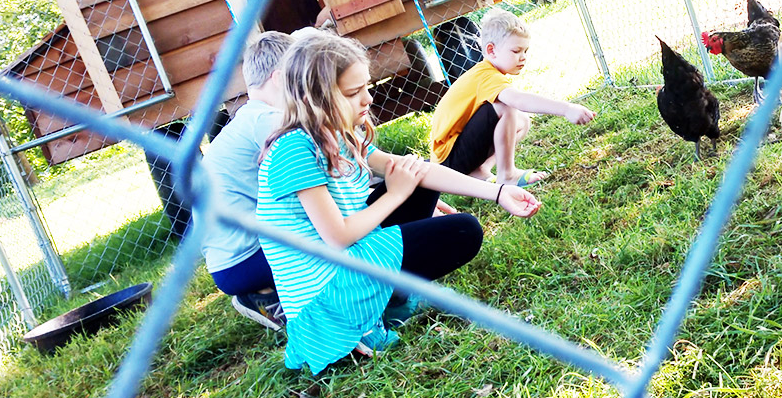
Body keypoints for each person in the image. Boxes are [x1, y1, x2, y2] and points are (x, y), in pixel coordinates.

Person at [257, 32, 542, 373]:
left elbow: (417, 172)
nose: (367, 99)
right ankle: (363, 321)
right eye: (352, 93)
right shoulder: (294, 149)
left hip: (345, 266)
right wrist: (395, 194)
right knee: (463, 230)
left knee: (417, 180)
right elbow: (337, 236)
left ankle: (390, 301)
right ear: (314, 98)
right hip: (326, 299)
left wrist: (497, 193)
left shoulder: (338, 132)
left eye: (366, 86)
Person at [427, 8, 596, 185]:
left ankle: (480, 171)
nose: (523, 57)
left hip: (454, 156)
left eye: (525, 51)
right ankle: (507, 175)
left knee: (522, 121)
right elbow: (518, 100)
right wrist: (567, 109)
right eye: (516, 51)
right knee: (506, 107)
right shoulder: (486, 75)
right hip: (447, 162)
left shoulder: (488, 73)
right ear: (491, 50)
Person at [200, 31, 294, 331]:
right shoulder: (265, 120)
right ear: (280, 78)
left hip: (229, 264)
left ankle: (268, 293)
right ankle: (265, 295)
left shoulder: (248, 119)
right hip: (245, 260)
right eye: (302, 76)